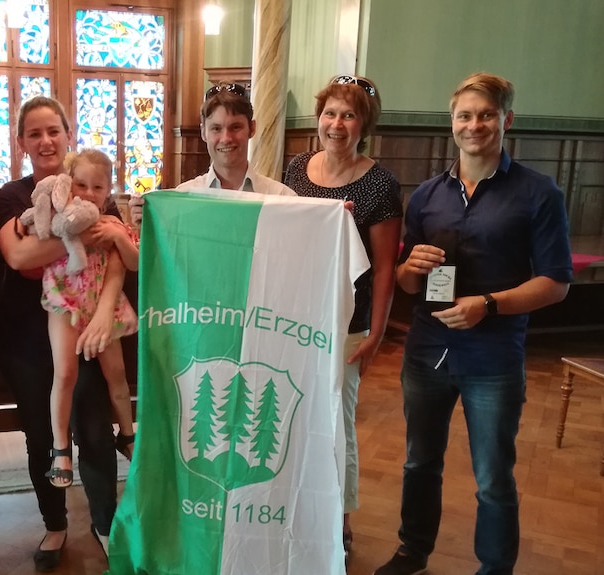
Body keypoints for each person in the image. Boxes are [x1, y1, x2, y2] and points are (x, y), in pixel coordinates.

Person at [374, 73, 573, 575]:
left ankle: (494, 568)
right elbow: (405, 283)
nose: (474, 125)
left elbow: (556, 282)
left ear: (506, 120)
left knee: (492, 477)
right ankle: (412, 551)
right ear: (452, 123)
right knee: (420, 462)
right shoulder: (424, 197)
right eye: (465, 115)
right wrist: (407, 269)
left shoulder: (538, 193)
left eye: (486, 114)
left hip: (494, 356)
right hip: (427, 350)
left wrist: (489, 303)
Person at [0, 96, 124, 571]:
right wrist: (81, 234)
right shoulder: (14, 195)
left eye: (54, 130)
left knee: (94, 426)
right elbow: (20, 257)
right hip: (27, 336)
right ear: (22, 142)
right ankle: (55, 523)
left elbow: (116, 259)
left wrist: (107, 308)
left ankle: (106, 524)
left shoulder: (92, 191)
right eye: (34, 133)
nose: (45, 140)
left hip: (85, 324)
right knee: (41, 434)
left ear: (68, 135)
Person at [283, 74, 403, 559]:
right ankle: (296, 504)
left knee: (338, 421)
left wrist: (374, 333)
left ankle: (342, 516)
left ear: (363, 125)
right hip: (295, 318)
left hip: (347, 322)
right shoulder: (295, 169)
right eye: (330, 113)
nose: (336, 124)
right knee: (294, 413)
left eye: (348, 115)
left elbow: (386, 266)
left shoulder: (379, 183)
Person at [27, 149, 139, 488]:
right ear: (67, 184)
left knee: (117, 374)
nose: (88, 193)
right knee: (65, 373)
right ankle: (60, 448)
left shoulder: (112, 224)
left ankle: (128, 433)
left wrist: (120, 236)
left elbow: (135, 263)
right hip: (65, 300)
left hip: (102, 305)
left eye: (98, 187)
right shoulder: (62, 221)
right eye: (81, 185)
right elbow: (34, 237)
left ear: (108, 191)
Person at [128, 82, 295, 224]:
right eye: (216, 128)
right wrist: (148, 223)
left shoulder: (283, 199)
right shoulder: (183, 199)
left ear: (252, 128)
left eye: (235, 127)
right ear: (203, 133)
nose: (226, 138)